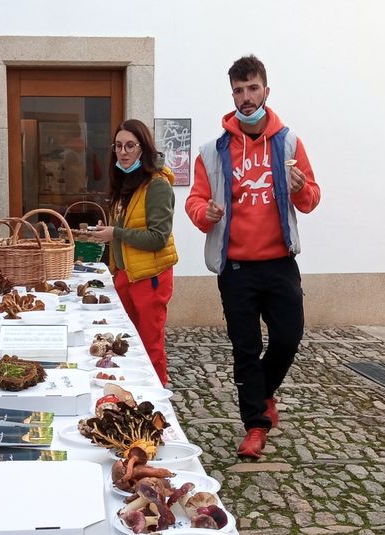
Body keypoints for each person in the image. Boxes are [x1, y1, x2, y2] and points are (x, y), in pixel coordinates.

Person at [185, 55, 321, 459]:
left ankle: (263, 393)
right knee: (244, 349)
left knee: (288, 337)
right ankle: (255, 426)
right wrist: (205, 213)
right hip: (236, 268)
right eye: (239, 90)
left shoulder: (289, 143)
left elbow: (311, 200)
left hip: (280, 263)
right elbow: (194, 201)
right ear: (232, 95)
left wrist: (299, 188)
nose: (246, 97)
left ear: (266, 90)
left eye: (253, 88)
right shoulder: (213, 151)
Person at [89, 119, 178, 386]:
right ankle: (130, 391)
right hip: (127, 275)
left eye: (130, 145)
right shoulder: (127, 183)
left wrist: (115, 233)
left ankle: (156, 396)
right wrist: (109, 232)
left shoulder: (157, 185)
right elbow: (128, 228)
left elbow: (158, 238)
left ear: (143, 148)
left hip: (150, 277)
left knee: (150, 345)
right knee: (126, 343)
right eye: (118, 146)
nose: (123, 152)